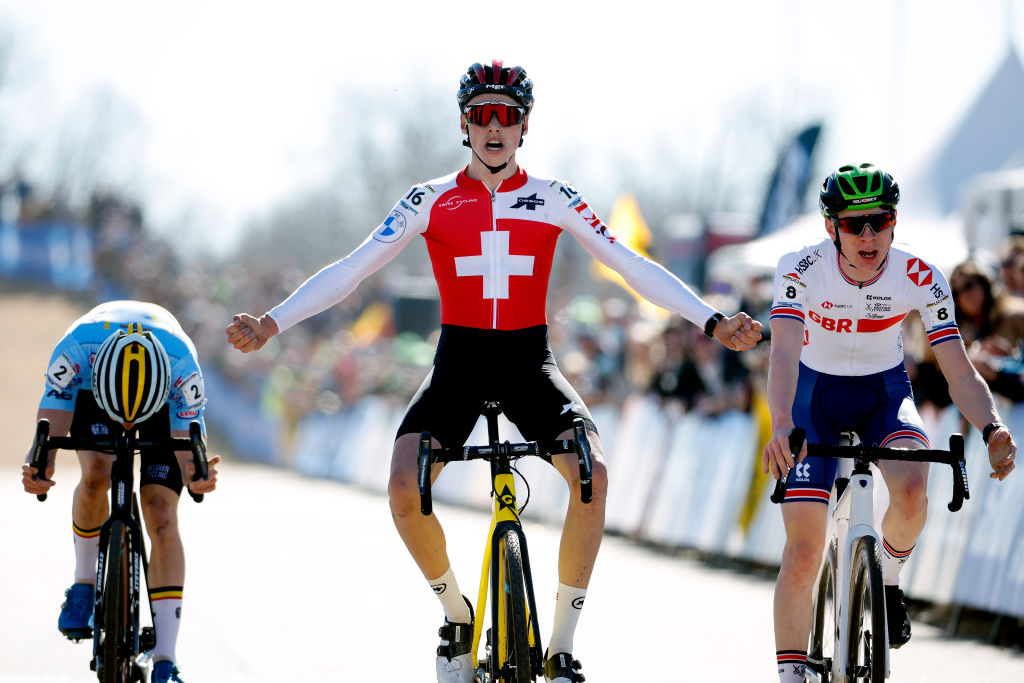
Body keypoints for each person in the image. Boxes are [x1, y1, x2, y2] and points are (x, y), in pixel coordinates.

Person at [226, 59, 763, 683]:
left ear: (524, 125)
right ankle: (456, 614)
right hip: (458, 364)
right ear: (464, 124)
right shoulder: (429, 199)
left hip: (527, 362)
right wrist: (272, 323)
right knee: (405, 487)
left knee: (593, 476)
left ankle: (561, 645)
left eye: (506, 115)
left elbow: (628, 264)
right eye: (481, 114)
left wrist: (710, 318)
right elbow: (352, 269)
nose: (493, 126)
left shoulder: (556, 197)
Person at [762, 163, 1017, 683]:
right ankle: (791, 674)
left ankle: (891, 581)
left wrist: (992, 428)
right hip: (813, 399)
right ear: (831, 227)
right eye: (854, 225)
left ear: (894, 221)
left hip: (884, 395)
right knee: (806, 547)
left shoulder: (920, 275)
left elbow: (958, 370)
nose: (869, 235)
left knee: (910, 491)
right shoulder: (800, 267)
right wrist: (783, 423)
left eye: (879, 221)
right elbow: (784, 354)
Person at [22, 300, 221, 683]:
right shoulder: (75, 352)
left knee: (161, 513)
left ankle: (165, 658)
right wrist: (38, 467)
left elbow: (188, 456)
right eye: (122, 419)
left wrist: (197, 477)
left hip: (162, 402)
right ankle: (83, 585)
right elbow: (48, 433)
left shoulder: (183, 369)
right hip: (94, 392)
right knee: (96, 473)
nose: (127, 425)